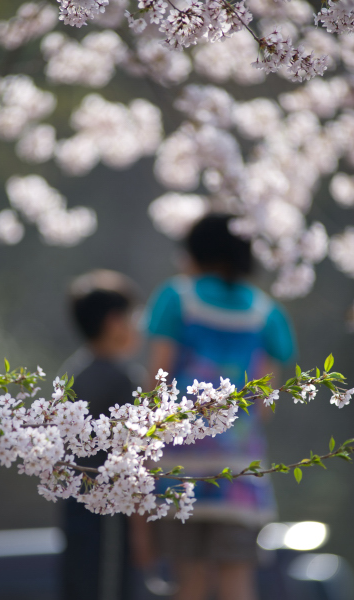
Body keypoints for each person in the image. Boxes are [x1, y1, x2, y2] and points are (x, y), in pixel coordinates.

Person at [135, 214, 296, 600]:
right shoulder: (267, 313)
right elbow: (264, 405)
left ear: (196, 252)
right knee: (237, 583)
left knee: (188, 583)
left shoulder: (177, 299)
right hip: (239, 472)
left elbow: (155, 387)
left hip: (177, 468)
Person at [60, 269, 142, 600]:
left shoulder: (72, 374)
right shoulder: (123, 380)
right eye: (134, 316)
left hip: (75, 510)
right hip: (113, 518)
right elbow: (136, 457)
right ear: (114, 321)